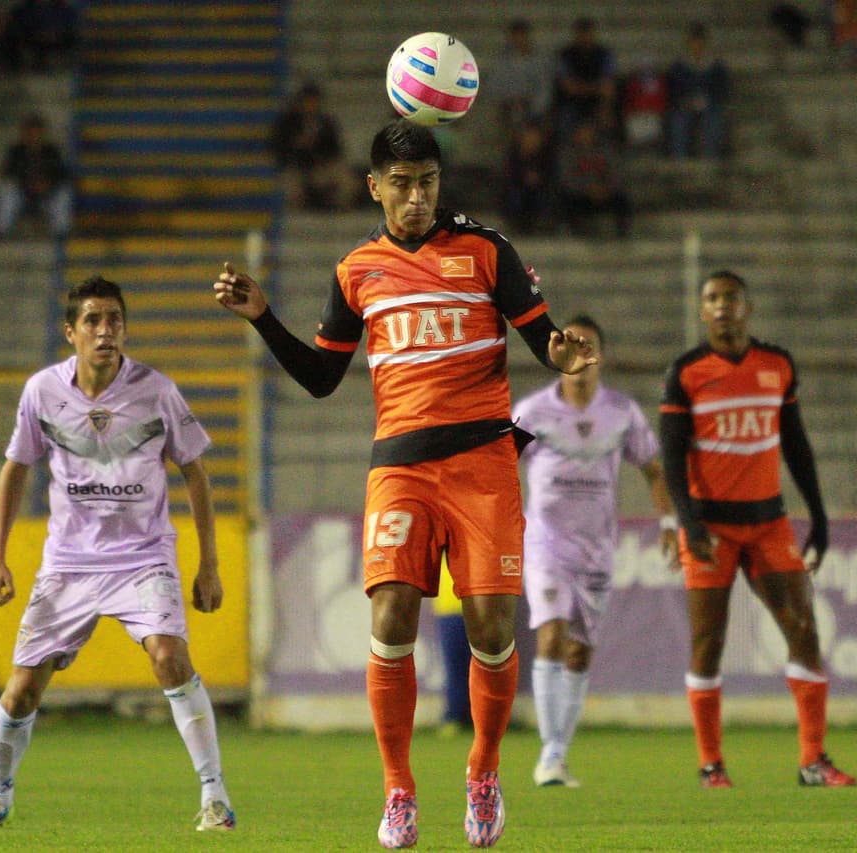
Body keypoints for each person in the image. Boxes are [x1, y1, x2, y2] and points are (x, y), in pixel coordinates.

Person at [212, 118, 596, 849]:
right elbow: (322, 377)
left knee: (492, 626)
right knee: (390, 614)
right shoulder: (356, 270)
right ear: (374, 188)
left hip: (483, 465)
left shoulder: (487, 251)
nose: (416, 198)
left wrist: (561, 353)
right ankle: (398, 789)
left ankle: (483, 772)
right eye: (401, 185)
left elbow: (540, 336)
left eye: (427, 183)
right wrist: (262, 316)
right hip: (401, 466)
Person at [0, 275, 236, 833]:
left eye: (115, 320)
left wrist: (209, 565)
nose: (106, 330)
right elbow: (16, 469)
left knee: (169, 657)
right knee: (22, 690)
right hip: (69, 563)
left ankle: (215, 796)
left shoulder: (156, 391)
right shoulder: (42, 391)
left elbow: (196, 473)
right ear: (71, 332)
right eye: (93, 320)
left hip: (143, 557)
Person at [659, 270, 856, 789]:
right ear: (702, 311)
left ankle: (813, 761)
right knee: (708, 641)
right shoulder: (686, 372)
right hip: (711, 526)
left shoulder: (777, 365)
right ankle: (711, 764)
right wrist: (689, 523)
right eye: (712, 298)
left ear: (747, 307)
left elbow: (797, 445)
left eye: (731, 297)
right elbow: (672, 459)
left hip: (769, 522)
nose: (722, 305)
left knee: (803, 630)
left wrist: (819, 518)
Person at [512, 315, 677, 788]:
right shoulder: (533, 412)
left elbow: (653, 468)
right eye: (571, 343)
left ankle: (558, 752)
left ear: (599, 355)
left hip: (597, 548)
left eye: (588, 344)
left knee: (579, 652)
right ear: (557, 354)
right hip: (545, 542)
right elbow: (499, 464)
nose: (580, 352)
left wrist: (668, 522)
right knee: (551, 635)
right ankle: (549, 754)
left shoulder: (621, 412)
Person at [269, 82, 354, 211]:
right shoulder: (287, 122)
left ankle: (337, 207)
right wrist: (297, 144)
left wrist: (319, 147)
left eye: (314, 101)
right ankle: (300, 211)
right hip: (296, 168)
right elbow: (278, 148)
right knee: (290, 185)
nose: (310, 104)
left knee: (345, 178)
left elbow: (336, 149)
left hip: (321, 167)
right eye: (307, 101)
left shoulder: (326, 123)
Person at [0, 112, 72, 238]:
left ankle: (61, 232)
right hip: (23, 194)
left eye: (36, 133)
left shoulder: (51, 151)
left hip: (47, 195)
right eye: (29, 133)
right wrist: (27, 183)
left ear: (42, 134)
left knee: (64, 191)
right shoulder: (16, 152)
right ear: (23, 134)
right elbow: (8, 173)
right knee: (6, 188)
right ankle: (2, 230)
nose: (33, 137)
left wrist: (48, 184)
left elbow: (62, 174)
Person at [554, 120, 632, 238]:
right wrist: (587, 188)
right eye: (583, 132)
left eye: (589, 132)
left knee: (622, 197)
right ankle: (569, 230)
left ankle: (623, 232)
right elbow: (566, 178)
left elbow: (617, 174)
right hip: (581, 194)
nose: (586, 136)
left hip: (605, 192)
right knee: (565, 198)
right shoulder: (568, 153)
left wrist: (605, 188)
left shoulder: (606, 150)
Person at [666, 22, 730, 161]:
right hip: (685, 104)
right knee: (678, 120)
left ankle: (709, 156)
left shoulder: (716, 66)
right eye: (694, 43)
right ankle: (680, 157)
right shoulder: (679, 66)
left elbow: (722, 91)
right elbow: (673, 89)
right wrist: (685, 101)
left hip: (709, 104)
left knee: (714, 119)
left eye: (700, 43)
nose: (697, 46)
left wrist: (707, 101)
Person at [553, 17, 617, 138]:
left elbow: (608, 86)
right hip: (571, 103)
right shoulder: (564, 55)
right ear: (576, 35)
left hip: (597, 102)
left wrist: (581, 88)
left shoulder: (605, 54)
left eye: (588, 33)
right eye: (582, 34)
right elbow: (567, 87)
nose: (585, 37)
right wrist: (595, 87)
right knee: (563, 122)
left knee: (607, 119)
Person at [433, 555, 472, 736]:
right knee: (455, 666)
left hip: (480, 605)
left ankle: (483, 717)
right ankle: (455, 715)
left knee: (486, 666)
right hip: (449, 607)